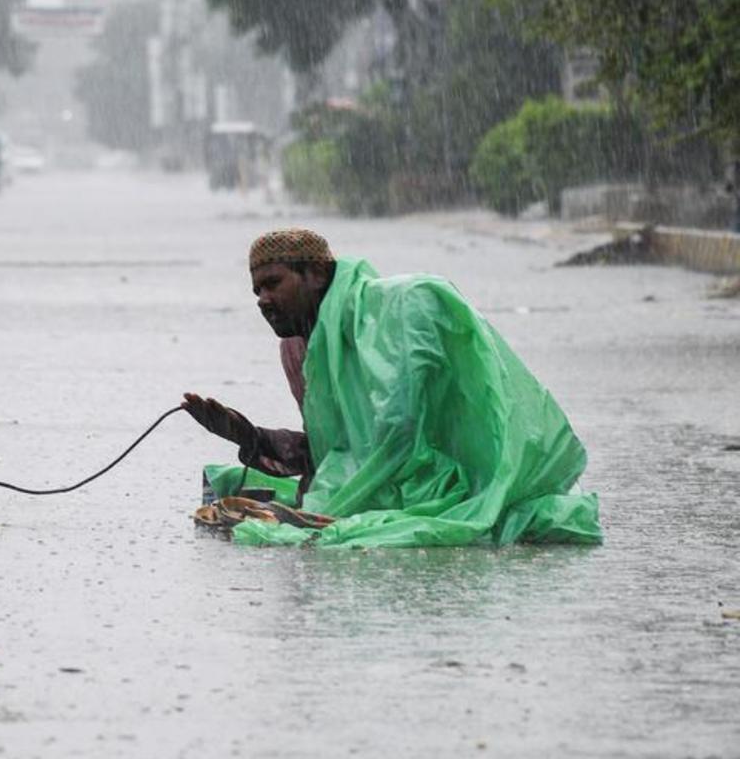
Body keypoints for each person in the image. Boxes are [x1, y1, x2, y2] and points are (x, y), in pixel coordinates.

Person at [183, 228, 601, 548]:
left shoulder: (405, 306)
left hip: (445, 476)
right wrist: (247, 435)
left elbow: (400, 438)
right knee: (232, 492)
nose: (262, 299)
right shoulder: (298, 349)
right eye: (256, 290)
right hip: (382, 479)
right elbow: (337, 451)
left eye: (273, 283)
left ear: (314, 274)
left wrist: (330, 509)